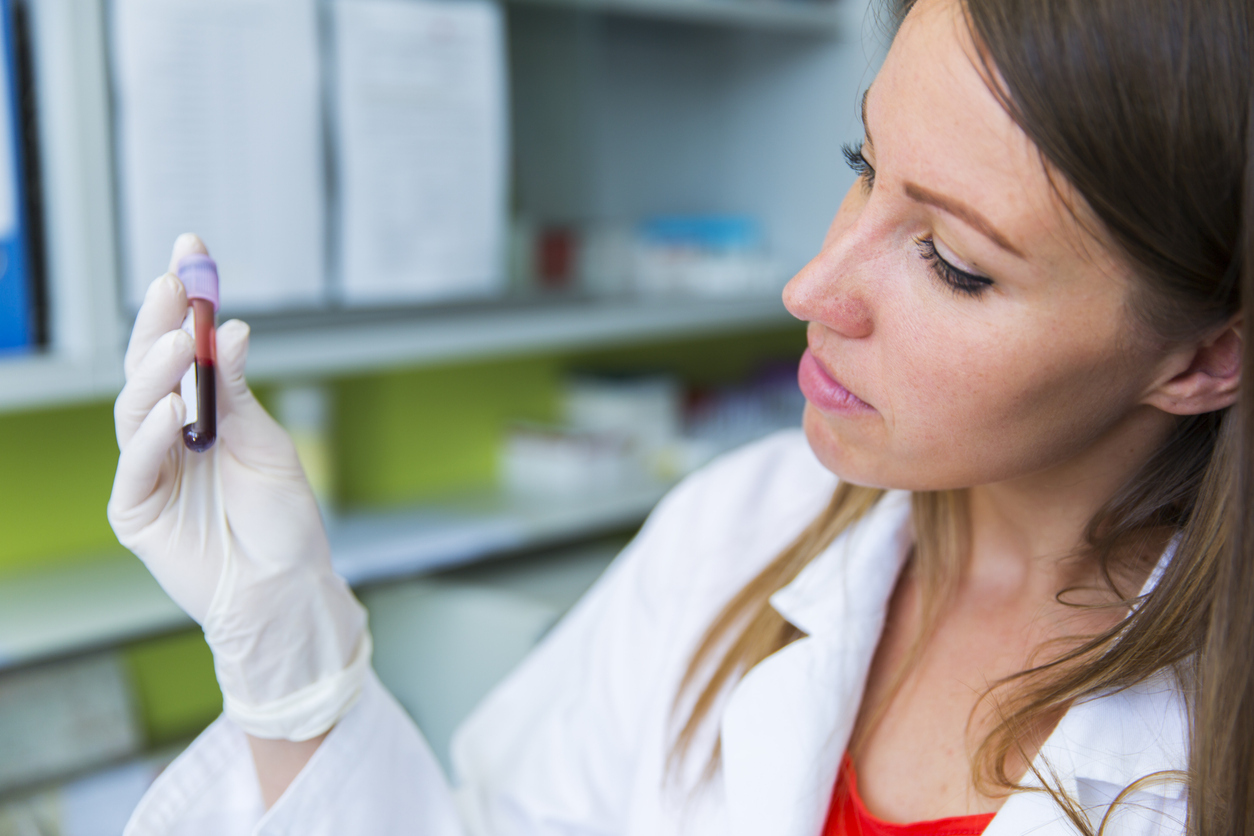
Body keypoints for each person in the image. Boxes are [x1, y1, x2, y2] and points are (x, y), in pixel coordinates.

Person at [108, 0, 1251, 832]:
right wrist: (294, 664)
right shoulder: (734, 532)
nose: (812, 285)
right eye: (864, 162)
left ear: (1204, 356)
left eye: (952, 263)